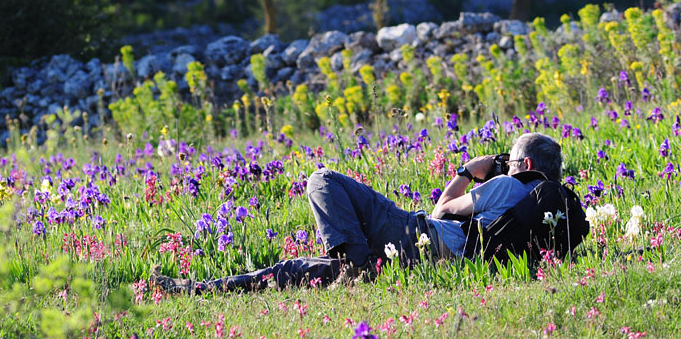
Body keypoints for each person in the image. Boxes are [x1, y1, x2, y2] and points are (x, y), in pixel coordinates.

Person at [150, 132, 563, 293]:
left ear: (525, 166)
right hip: (436, 254)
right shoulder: (553, 211)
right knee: (294, 269)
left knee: (322, 179)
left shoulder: (510, 186)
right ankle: (195, 289)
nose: (504, 166)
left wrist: (467, 171)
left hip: (422, 239)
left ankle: (354, 264)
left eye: (509, 160)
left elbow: (443, 210)